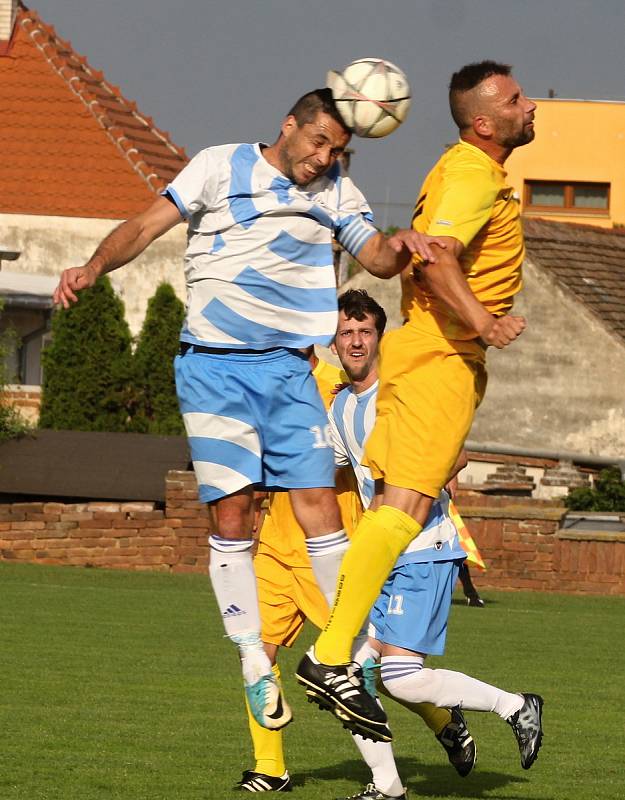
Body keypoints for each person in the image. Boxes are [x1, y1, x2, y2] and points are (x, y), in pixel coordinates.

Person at [53, 88, 441, 734]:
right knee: (232, 515)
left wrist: (402, 244)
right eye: (317, 142)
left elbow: (373, 258)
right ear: (288, 126)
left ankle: (343, 650)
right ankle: (251, 661)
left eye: (336, 150)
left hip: (289, 370)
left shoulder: (337, 192)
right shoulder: (217, 166)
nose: (323, 158)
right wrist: (94, 267)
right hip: (213, 367)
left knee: (318, 503)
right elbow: (145, 226)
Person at [297, 60, 538, 739]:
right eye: (516, 100)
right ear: (483, 122)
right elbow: (437, 255)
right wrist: (483, 321)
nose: (531, 107)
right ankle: (331, 652)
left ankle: (334, 650)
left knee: (389, 506)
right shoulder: (470, 174)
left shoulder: (462, 169)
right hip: (439, 354)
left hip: (418, 346)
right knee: (402, 510)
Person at [325, 290, 542, 799]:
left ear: (380, 339)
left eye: (364, 332)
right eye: (345, 332)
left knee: (398, 678)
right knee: (344, 676)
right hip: (377, 557)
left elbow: (456, 454)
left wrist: (411, 490)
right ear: (334, 342)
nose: (355, 341)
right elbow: (338, 471)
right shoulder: (338, 406)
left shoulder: (402, 393)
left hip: (422, 548)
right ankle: (388, 786)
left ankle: (514, 706)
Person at [239, 326, 474, 794]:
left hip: (332, 550)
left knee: (366, 668)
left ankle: (441, 720)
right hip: (274, 547)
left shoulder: (338, 380)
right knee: (255, 658)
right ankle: (270, 767)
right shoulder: (260, 385)